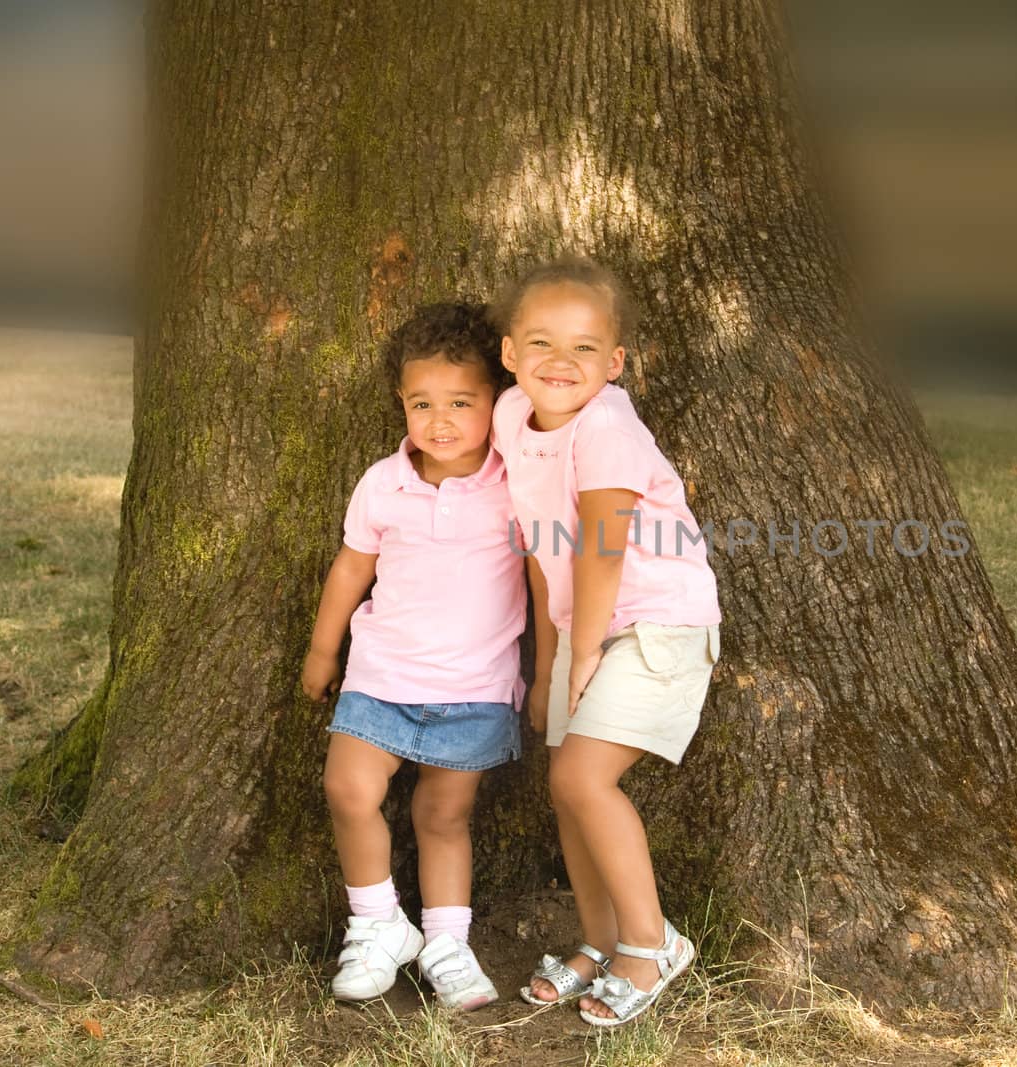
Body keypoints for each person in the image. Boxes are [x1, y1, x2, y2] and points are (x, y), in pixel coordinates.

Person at [492, 256, 721, 1027]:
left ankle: (652, 945)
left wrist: (582, 650)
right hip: (581, 626)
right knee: (564, 785)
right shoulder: (508, 419)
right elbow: (536, 541)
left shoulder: (609, 425)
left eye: (586, 348)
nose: (562, 362)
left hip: (656, 620)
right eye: (543, 343)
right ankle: (600, 938)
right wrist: (550, 654)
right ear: (509, 351)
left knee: (586, 779)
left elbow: (601, 545)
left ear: (615, 363)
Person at [301, 303, 524, 1010]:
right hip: (381, 674)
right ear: (402, 403)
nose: (441, 419)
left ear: (496, 402)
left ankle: (446, 941)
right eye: (422, 403)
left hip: (476, 685)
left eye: (462, 402)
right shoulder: (383, 482)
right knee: (349, 789)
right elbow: (349, 569)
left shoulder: (515, 486)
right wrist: (321, 648)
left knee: (443, 817)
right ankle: (376, 926)